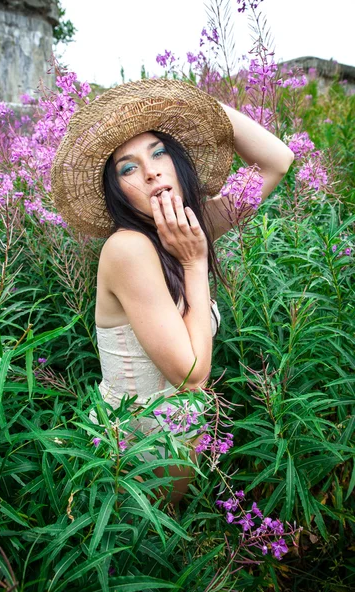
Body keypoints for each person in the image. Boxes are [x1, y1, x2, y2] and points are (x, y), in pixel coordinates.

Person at [51, 79, 294, 502]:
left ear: (177, 163)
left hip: (177, 437)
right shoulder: (128, 249)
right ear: (117, 192)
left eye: (159, 152)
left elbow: (278, 161)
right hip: (133, 454)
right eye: (128, 168)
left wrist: (197, 105)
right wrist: (194, 262)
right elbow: (191, 374)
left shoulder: (185, 226)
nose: (151, 171)